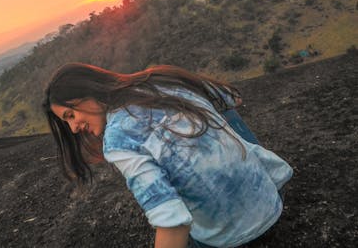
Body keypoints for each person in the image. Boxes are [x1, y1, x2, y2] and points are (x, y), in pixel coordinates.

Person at [43, 63, 293, 248]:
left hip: (231, 238)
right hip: (272, 198)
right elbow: (232, 99)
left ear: (88, 92)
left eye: (70, 116)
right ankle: (259, 176)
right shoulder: (160, 80)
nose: (74, 128)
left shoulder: (118, 138)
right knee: (218, 114)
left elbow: (173, 222)